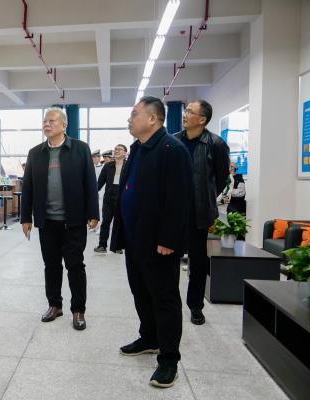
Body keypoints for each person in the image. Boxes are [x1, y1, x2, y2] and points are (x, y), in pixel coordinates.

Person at [110, 96, 193, 388]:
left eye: (134, 114)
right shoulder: (137, 148)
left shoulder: (173, 150)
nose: (129, 119)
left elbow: (179, 199)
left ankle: (169, 360)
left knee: (164, 298)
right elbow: (129, 190)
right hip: (136, 238)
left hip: (159, 243)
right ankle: (149, 338)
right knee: (141, 292)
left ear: (153, 119)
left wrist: (169, 238)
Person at [20, 107, 99, 331]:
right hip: (47, 221)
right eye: (45, 121)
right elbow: (28, 187)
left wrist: (93, 213)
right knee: (51, 265)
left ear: (64, 125)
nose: (47, 124)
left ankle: (78, 309)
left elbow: (90, 183)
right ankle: (55, 305)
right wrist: (26, 218)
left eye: (52, 121)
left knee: (75, 265)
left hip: (74, 220)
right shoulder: (35, 153)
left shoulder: (80, 149)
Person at [175, 100, 230, 326]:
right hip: (174, 212)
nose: (185, 114)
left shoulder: (215, 144)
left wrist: (204, 197)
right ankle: (170, 303)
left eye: (190, 111)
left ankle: (195, 306)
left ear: (202, 119)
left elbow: (221, 178)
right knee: (169, 259)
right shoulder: (173, 140)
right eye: (185, 110)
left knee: (198, 262)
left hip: (199, 213)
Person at [94, 145, 127, 253]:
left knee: (119, 223)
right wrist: (92, 194)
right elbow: (100, 182)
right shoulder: (108, 166)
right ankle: (102, 245)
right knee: (105, 222)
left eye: (119, 149)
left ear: (125, 152)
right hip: (109, 198)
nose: (116, 151)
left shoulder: (128, 166)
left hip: (122, 198)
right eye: (115, 149)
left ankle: (117, 247)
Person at [91, 149, 103, 233]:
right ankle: (94, 226)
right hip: (92, 191)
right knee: (94, 209)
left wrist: (100, 192)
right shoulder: (90, 167)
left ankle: (100, 227)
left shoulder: (102, 167)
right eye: (93, 157)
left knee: (100, 209)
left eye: (97, 157)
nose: (95, 159)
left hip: (100, 191)